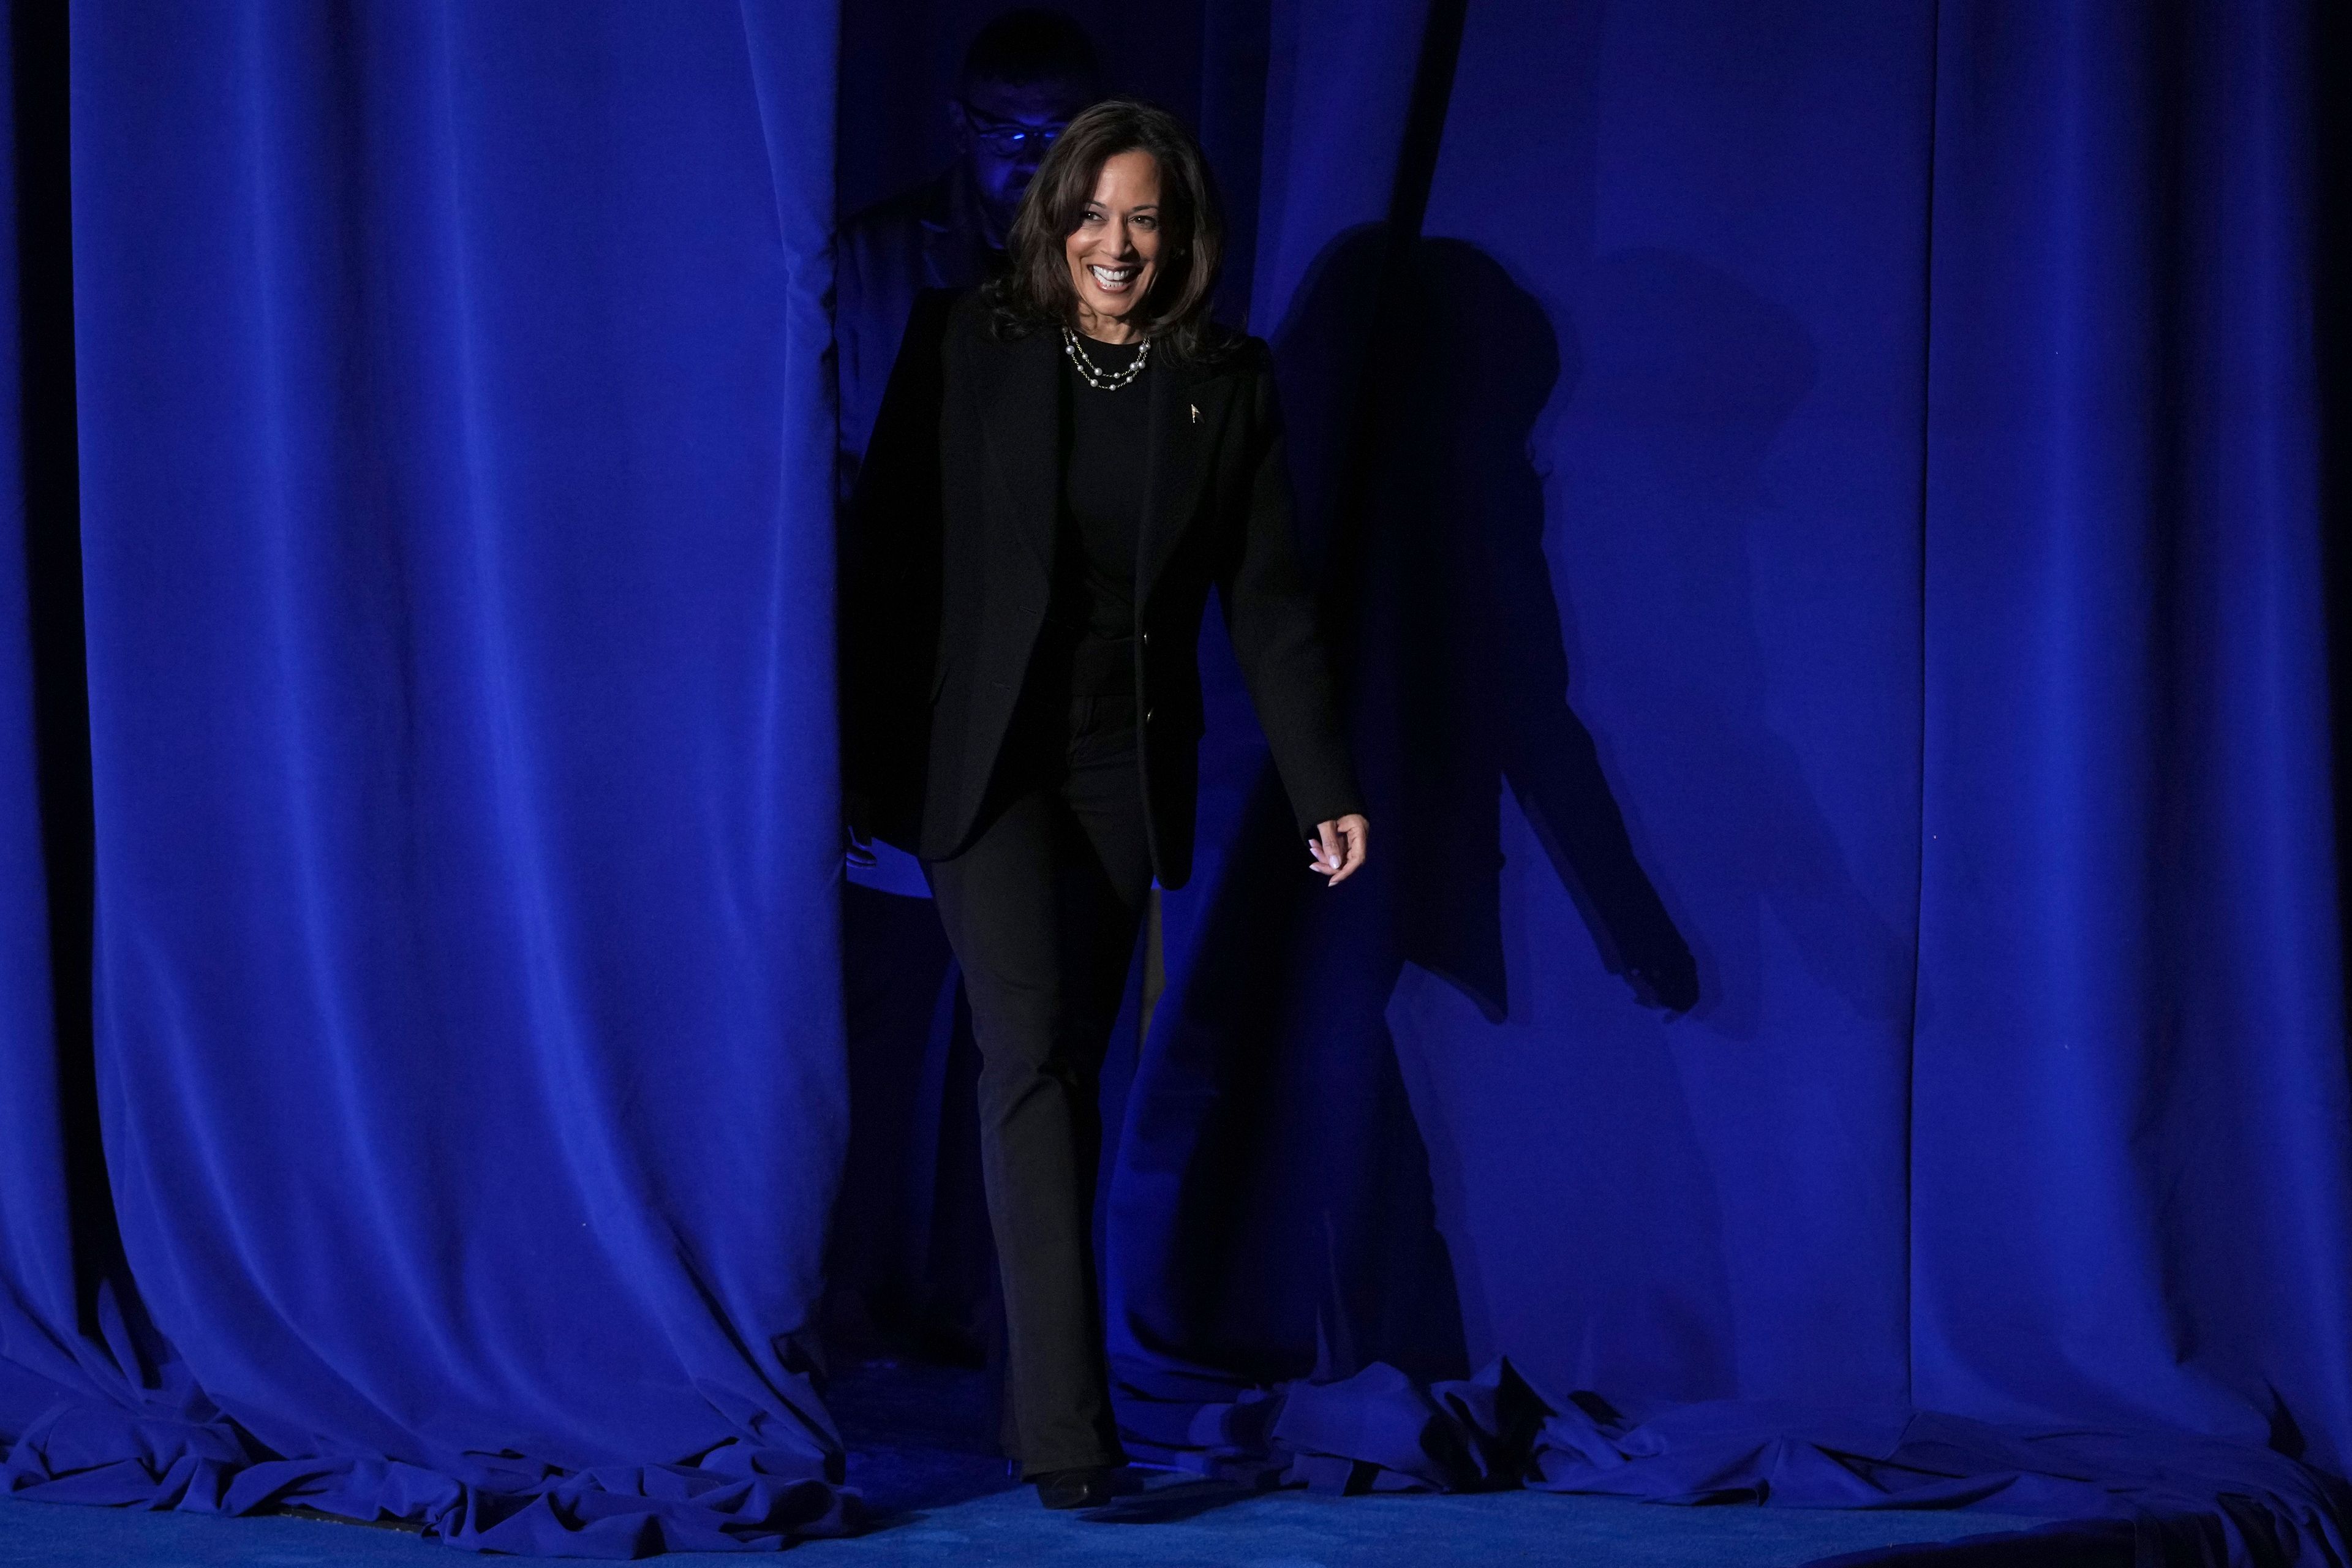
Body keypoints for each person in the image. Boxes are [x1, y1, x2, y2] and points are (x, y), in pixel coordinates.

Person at [837, 97, 1370, 1509]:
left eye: (1142, 217)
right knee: (1025, 1055)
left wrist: (1324, 784)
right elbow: (886, 561)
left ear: (1180, 232)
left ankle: (1032, 1394)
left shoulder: (1228, 381)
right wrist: (854, 765)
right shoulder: (967, 343)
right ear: (1051, 222)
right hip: (982, 758)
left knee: (1068, 1069)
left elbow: (1269, 605)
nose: (1114, 244)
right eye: (1090, 215)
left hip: (1118, 765)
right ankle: (1074, 1439)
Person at [834, 9, 1101, 505]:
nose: (1034, 163)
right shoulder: (870, 262)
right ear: (961, 127)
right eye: (1007, 136)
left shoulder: (1132, 260)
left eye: (1059, 137)